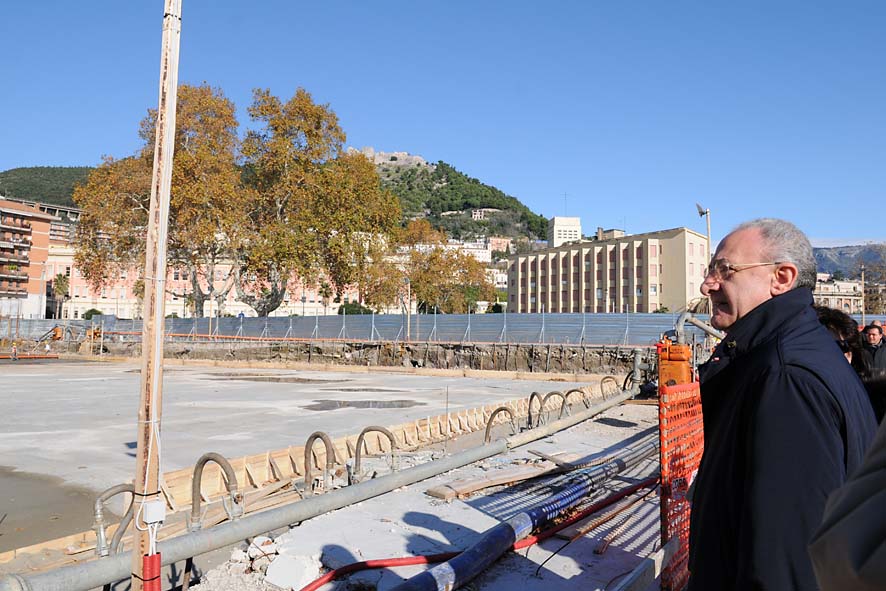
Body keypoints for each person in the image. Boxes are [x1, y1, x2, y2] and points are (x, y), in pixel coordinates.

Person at [687, 218, 877, 591]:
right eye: (711, 270)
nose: (707, 284)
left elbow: (788, 565)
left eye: (725, 270)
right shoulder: (798, 353)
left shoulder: (785, 377)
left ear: (782, 277)